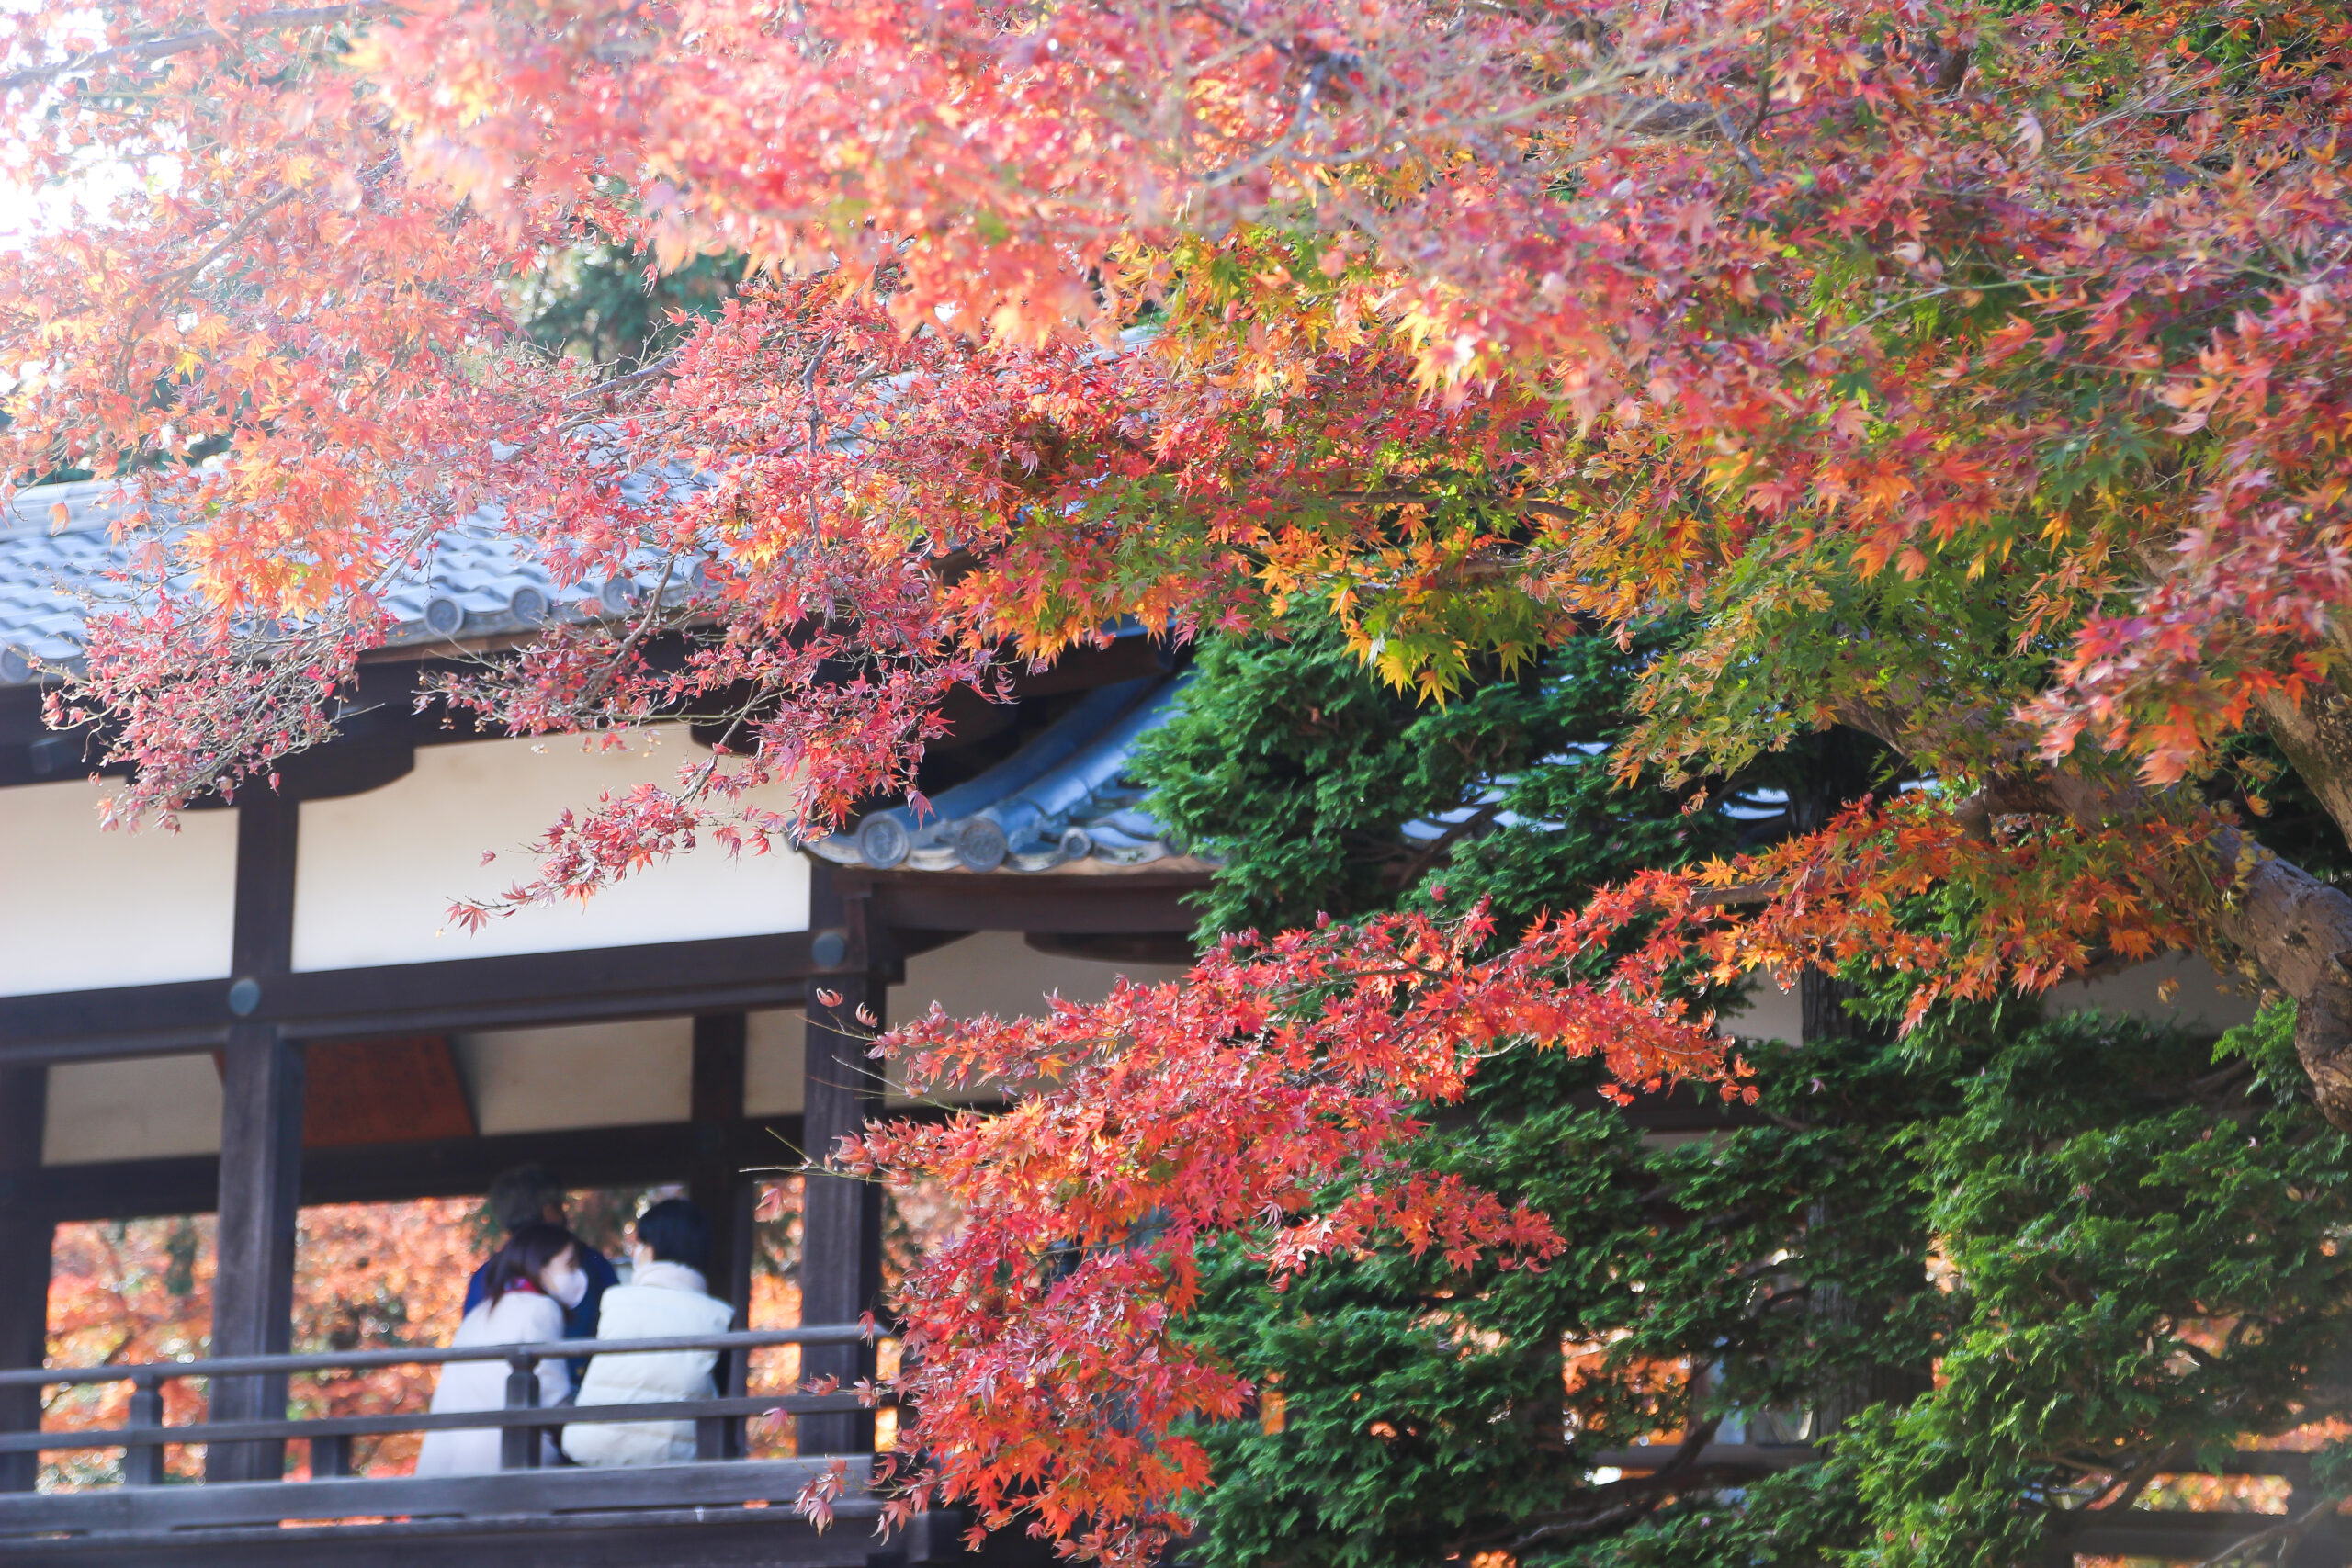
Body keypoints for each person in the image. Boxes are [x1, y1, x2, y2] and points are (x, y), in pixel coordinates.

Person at [561, 1199, 736, 1467]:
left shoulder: (615, 1300)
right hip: (675, 1459)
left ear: (650, 1248)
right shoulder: (720, 1317)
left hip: (592, 1448)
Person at [414, 1223, 585, 1476]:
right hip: (505, 1465)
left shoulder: (483, 1310)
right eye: (570, 1266)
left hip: (444, 1467)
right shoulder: (540, 1308)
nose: (578, 1276)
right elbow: (553, 1399)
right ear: (540, 1265)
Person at [462, 1165, 617, 1380]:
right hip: (581, 1389)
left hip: (495, 1394)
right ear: (549, 1211)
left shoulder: (485, 1275)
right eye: (560, 1206)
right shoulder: (587, 1263)